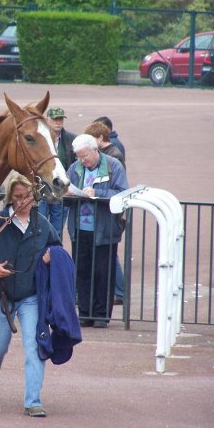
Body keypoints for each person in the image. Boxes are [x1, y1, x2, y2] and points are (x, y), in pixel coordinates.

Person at [0, 174, 61, 418]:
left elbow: (58, 250)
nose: (23, 202)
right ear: (10, 197)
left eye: (28, 197)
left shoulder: (43, 224)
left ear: (35, 196)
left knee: (35, 347)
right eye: (18, 197)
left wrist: (51, 255)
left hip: (30, 296)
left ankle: (33, 401)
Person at [66, 134, 128, 328]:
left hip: (104, 229)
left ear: (95, 150)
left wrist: (98, 194)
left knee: (103, 272)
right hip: (80, 228)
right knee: (82, 271)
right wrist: (66, 194)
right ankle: (85, 313)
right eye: (78, 157)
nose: (82, 160)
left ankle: (101, 315)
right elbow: (64, 193)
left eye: (84, 156)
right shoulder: (74, 169)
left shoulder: (113, 165)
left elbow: (122, 194)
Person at [89, 119, 127, 306]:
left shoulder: (113, 156)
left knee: (110, 257)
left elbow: (115, 186)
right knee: (110, 256)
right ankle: (119, 291)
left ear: (100, 138)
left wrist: (97, 192)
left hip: (109, 214)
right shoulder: (111, 151)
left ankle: (120, 291)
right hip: (108, 212)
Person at [38, 107, 76, 240]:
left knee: (56, 231)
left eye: (60, 119)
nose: (58, 122)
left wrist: (71, 185)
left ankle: (54, 256)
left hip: (61, 192)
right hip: (42, 190)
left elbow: (76, 165)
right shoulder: (40, 138)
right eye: (55, 119)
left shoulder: (71, 139)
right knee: (39, 228)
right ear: (47, 120)